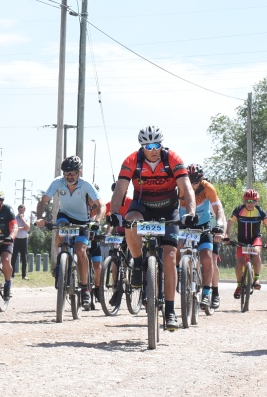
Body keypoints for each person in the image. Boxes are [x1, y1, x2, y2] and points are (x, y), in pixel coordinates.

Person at [108, 125, 197, 331]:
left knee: (169, 256)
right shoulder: (132, 161)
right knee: (130, 221)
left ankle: (170, 310)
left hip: (168, 208)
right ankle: (138, 263)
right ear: (142, 146)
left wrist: (190, 213)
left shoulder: (172, 159)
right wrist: (114, 213)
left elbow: (186, 187)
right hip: (143, 205)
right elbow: (120, 189)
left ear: (162, 144)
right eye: (148, 146)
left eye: (156, 144)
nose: (153, 149)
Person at [36, 155, 103, 308]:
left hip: (82, 220)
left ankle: (85, 287)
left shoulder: (86, 184)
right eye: (66, 174)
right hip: (64, 216)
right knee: (60, 231)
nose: (69, 176)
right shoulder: (57, 182)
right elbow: (44, 200)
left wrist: (97, 221)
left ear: (79, 172)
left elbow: (101, 205)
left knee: (81, 250)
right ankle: (60, 262)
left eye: (72, 173)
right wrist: (40, 217)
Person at [187, 164, 227, 313]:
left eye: (196, 182)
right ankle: (181, 272)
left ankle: (209, 292)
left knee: (209, 258)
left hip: (206, 227)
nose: (192, 185)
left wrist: (221, 229)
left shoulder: (209, 190)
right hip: (187, 227)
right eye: (190, 182)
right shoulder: (181, 188)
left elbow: (220, 212)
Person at [225, 189, 267, 298]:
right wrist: (225, 235)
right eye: (247, 201)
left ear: (256, 202)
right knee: (239, 263)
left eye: (253, 201)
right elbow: (229, 223)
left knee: (256, 253)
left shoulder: (260, 211)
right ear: (244, 201)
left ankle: (256, 279)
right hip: (242, 240)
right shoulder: (238, 210)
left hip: (255, 239)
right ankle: (239, 286)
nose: (250, 203)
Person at [103, 181, 132, 309]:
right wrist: (106, 233)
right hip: (118, 235)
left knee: (135, 259)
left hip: (131, 234)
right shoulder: (110, 204)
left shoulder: (131, 202)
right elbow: (105, 220)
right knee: (115, 262)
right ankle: (116, 288)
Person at [14, 205, 31, 279]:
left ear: (24, 210)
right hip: (16, 239)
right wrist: (24, 228)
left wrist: (22, 219)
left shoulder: (27, 218)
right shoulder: (15, 218)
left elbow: (28, 228)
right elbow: (15, 228)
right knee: (13, 257)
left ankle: (24, 275)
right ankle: (12, 274)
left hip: (24, 239)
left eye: (22, 210)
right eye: (20, 210)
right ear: (18, 210)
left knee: (24, 258)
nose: (21, 211)